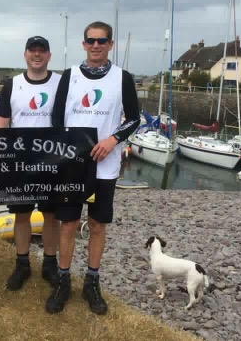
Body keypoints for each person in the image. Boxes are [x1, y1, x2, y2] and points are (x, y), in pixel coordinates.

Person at [46, 21, 140, 315]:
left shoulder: (122, 78)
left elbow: (134, 119)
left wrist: (113, 140)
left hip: (105, 166)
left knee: (97, 224)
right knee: (68, 223)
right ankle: (63, 281)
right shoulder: (70, 75)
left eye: (102, 41)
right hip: (72, 165)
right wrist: (67, 149)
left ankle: (91, 282)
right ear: (84, 44)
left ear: (110, 44)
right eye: (91, 40)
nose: (96, 45)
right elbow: (56, 118)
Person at [0, 36, 61, 291]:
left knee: (51, 215)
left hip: (52, 162)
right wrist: (3, 158)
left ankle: (50, 264)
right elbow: (2, 123)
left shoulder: (61, 83)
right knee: (21, 214)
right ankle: (22, 264)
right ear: (25, 55)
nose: (37, 55)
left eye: (41, 51)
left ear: (49, 55)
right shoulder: (12, 84)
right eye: (32, 50)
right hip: (20, 162)